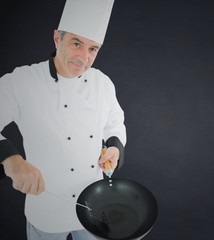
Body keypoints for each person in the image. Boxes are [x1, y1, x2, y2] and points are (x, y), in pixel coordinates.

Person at [0, 0, 126, 239]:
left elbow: (114, 122)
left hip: (94, 205)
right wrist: (11, 160)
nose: (83, 58)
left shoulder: (102, 83)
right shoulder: (22, 81)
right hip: (47, 205)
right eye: (76, 43)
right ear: (57, 38)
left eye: (93, 49)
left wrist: (113, 148)